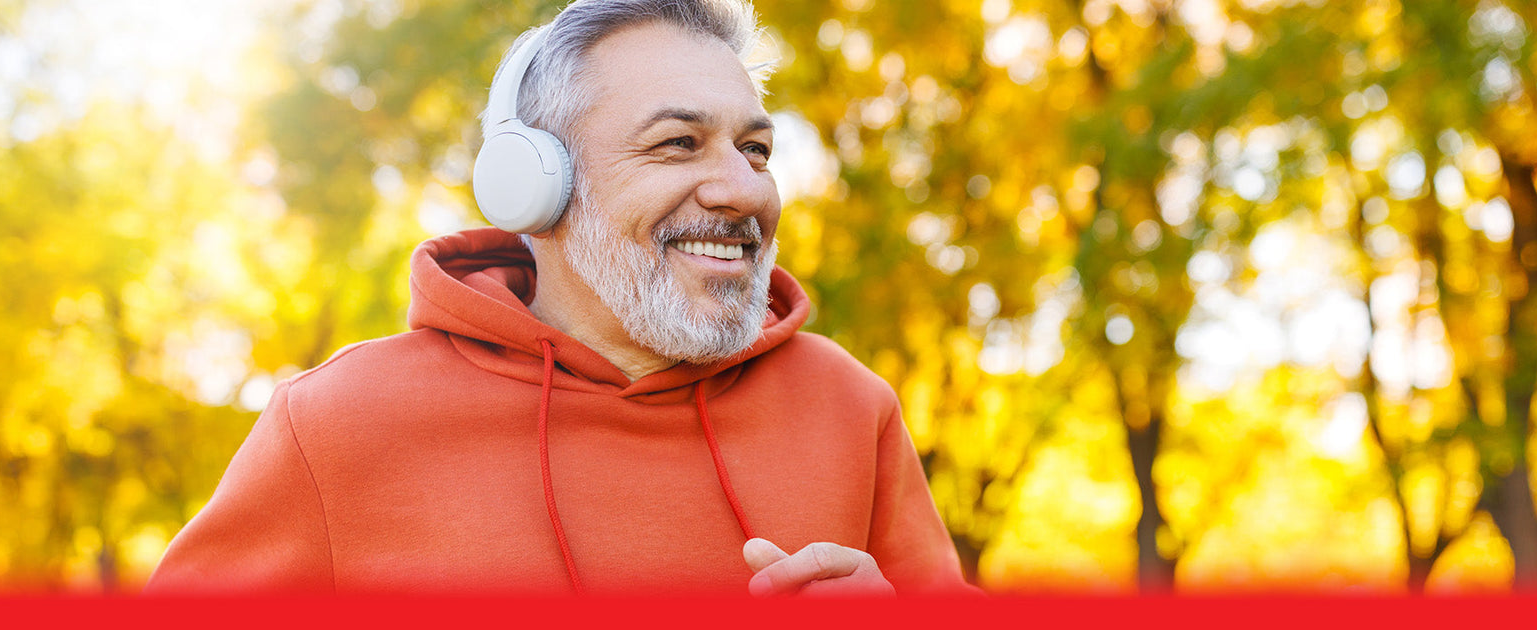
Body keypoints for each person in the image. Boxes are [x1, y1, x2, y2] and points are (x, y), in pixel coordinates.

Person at [147, 0, 969, 596]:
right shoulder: (336, 423)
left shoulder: (850, 406)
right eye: (679, 143)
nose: (744, 189)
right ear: (537, 185)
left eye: (755, 150)